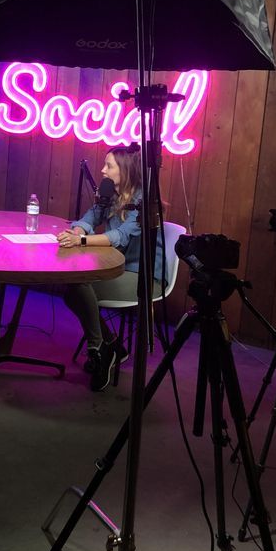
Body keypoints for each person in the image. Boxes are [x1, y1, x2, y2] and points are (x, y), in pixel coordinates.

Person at [57, 144, 166, 393]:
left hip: (142, 277)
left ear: (125, 171)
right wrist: (78, 229)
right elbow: (90, 217)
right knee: (72, 289)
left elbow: (121, 236)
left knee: (79, 284)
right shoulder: (110, 194)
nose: (103, 170)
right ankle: (107, 346)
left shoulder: (145, 202)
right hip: (114, 269)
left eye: (109, 166)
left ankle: (101, 349)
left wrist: (81, 241)